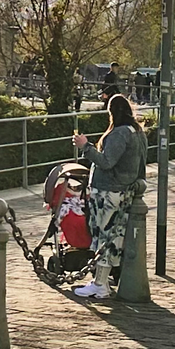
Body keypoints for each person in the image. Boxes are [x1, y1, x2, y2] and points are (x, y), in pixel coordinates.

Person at [68, 94, 146, 300]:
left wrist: (86, 146)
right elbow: (141, 164)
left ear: (111, 112)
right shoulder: (137, 132)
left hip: (108, 193)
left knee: (104, 238)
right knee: (114, 238)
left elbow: (107, 161)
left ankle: (100, 284)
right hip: (123, 191)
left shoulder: (120, 133)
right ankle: (101, 282)